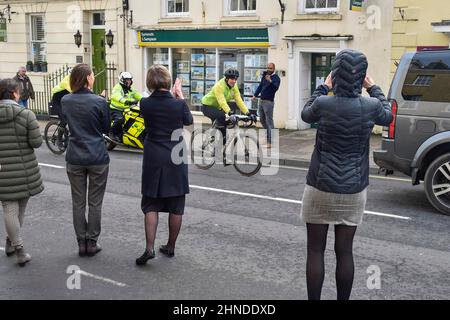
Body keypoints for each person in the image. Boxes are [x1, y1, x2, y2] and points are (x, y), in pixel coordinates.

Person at [300, 49, 393, 300]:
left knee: (315, 251)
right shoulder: (372, 106)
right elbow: (388, 115)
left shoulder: (323, 103)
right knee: (344, 252)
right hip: (353, 190)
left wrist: (322, 87)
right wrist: (373, 88)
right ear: (361, 77)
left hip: (319, 186)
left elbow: (306, 113)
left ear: (335, 75)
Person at [136, 65, 193, 265]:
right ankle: (170, 246)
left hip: (153, 156)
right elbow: (188, 120)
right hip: (175, 157)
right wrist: (180, 96)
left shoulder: (145, 103)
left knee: (151, 203)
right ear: (169, 82)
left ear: (150, 82)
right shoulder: (178, 105)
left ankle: (149, 248)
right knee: (176, 206)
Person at [61, 64, 111, 257]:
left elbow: (65, 123)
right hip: (97, 155)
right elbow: (105, 128)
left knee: (78, 202)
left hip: (75, 155)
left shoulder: (66, 100)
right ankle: (92, 242)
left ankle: (81, 242)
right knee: (95, 202)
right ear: (88, 79)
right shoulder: (99, 101)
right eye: (91, 75)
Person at [0, 78, 44, 266]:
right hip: (24, 171)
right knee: (20, 209)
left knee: (9, 208)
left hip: (2, 171)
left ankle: (11, 243)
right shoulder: (26, 115)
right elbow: (36, 142)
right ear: (14, 93)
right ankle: (18, 248)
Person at [201, 68, 257, 148]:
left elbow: (238, 100)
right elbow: (222, 101)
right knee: (221, 117)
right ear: (227, 79)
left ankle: (217, 141)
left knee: (224, 122)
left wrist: (248, 113)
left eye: (235, 79)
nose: (234, 81)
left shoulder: (234, 86)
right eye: (232, 79)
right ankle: (218, 143)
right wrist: (230, 113)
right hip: (207, 106)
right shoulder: (219, 86)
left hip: (218, 107)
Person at [252, 63, 280, 148]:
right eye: (268, 68)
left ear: (274, 69)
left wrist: (270, 81)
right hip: (262, 100)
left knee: (269, 121)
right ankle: (268, 137)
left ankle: (271, 141)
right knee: (262, 119)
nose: (269, 70)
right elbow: (260, 86)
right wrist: (255, 95)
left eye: (270, 68)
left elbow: (276, 88)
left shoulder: (276, 78)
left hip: (269, 102)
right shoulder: (265, 76)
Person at [110, 72, 142, 141]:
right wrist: (125, 101)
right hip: (116, 109)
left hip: (127, 109)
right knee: (120, 119)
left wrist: (145, 100)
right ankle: (112, 133)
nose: (129, 81)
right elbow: (116, 96)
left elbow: (137, 95)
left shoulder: (131, 88)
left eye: (130, 80)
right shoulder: (117, 87)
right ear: (122, 80)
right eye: (127, 80)